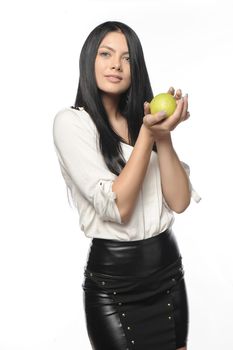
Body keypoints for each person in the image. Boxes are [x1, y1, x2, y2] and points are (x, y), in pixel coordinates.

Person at [52, 20, 201, 350]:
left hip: (166, 274)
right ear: (89, 59)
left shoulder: (144, 122)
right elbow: (118, 207)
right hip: (114, 285)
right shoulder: (72, 123)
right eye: (106, 54)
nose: (116, 65)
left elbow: (179, 201)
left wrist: (163, 136)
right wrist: (149, 134)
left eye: (127, 57)